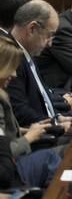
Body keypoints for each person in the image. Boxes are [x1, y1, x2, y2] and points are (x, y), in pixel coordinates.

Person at [0, 37, 61, 189]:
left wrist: (30, 130)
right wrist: (29, 137)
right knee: (52, 157)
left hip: (14, 160)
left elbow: (4, 133)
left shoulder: (2, 94)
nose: (14, 74)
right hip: (10, 171)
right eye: (10, 67)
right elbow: (4, 155)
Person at [6, 0, 72, 130]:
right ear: (32, 29)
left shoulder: (28, 52)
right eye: (49, 36)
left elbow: (42, 97)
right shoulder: (11, 59)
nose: (50, 44)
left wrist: (57, 117)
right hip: (39, 139)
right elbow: (20, 112)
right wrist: (54, 125)